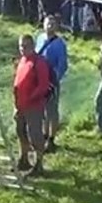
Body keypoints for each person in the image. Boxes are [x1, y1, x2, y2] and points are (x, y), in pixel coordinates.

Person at [13, 35, 51, 176]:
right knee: (20, 132)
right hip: (20, 105)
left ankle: (38, 163)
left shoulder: (39, 62)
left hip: (33, 106)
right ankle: (24, 158)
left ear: (33, 46)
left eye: (26, 46)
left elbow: (43, 86)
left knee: (34, 134)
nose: (23, 49)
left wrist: (31, 99)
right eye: (21, 46)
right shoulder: (22, 61)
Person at [34, 16, 68, 153]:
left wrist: (55, 80)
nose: (50, 27)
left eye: (53, 24)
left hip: (51, 81)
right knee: (41, 110)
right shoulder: (40, 38)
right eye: (48, 24)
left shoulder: (59, 44)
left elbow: (62, 65)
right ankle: (43, 134)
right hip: (38, 79)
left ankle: (52, 138)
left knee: (52, 111)